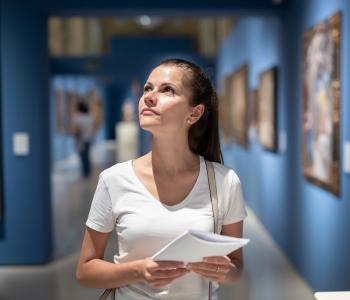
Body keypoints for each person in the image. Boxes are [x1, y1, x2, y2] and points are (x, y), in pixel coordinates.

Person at [76, 58, 248, 299]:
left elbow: (236, 269)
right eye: (148, 88)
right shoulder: (113, 180)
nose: (150, 96)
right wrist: (138, 270)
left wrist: (222, 270)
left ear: (195, 113)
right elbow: (85, 271)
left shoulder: (224, 181)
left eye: (167, 89)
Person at [71, 97, 97, 178]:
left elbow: (75, 130)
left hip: (81, 140)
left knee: (83, 156)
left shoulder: (78, 117)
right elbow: (94, 127)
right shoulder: (90, 117)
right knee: (87, 156)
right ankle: (87, 172)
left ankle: (85, 172)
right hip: (89, 139)